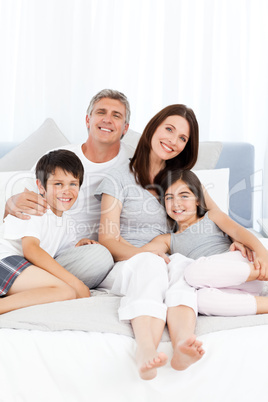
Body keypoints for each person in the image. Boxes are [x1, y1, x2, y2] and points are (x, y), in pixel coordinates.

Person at [95, 104, 235, 380]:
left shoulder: (181, 181)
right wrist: (143, 254)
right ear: (153, 128)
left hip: (171, 260)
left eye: (182, 138)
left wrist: (239, 242)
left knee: (184, 266)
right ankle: (146, 349)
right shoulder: (118, 177)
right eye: (169, 129)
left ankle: (184, 344)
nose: (173, 141)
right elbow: (107, 238)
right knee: (151, 263)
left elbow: (216, 215)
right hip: (128, 263)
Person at [3, 89, 133, 289]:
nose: (107, 119)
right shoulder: (58, 158)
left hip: (74, 252)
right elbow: (20, 209)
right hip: (35, 249)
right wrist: (9, 204)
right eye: (101, 112)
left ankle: (44, 285)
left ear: (125, 128)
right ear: (88, 120)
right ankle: (45, 284)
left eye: (116, 115)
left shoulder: (132, 165)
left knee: (100, 257)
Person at [143, 169, 268, 316]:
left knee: (191, 273)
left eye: (184, 196)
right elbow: (137, 254)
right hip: (223, 283)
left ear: (197, 199)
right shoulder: (167, 240)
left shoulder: (212, 216)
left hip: (243, 265)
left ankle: (260, 272)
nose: (176, 203)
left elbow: (238, 232)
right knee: (199, 300)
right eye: (169, 197)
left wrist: (262, 254)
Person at [0, 149, 91, 315]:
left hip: (22, 266)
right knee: (67, 291)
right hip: (4, 259)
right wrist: (76, 283)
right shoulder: (35, 206)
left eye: (73, 184)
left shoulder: (67, 222)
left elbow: (63, 251)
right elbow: (31, 249)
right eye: (58, 184)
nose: (67, 190)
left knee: (65, 292)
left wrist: (81, 244)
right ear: (41, 187)